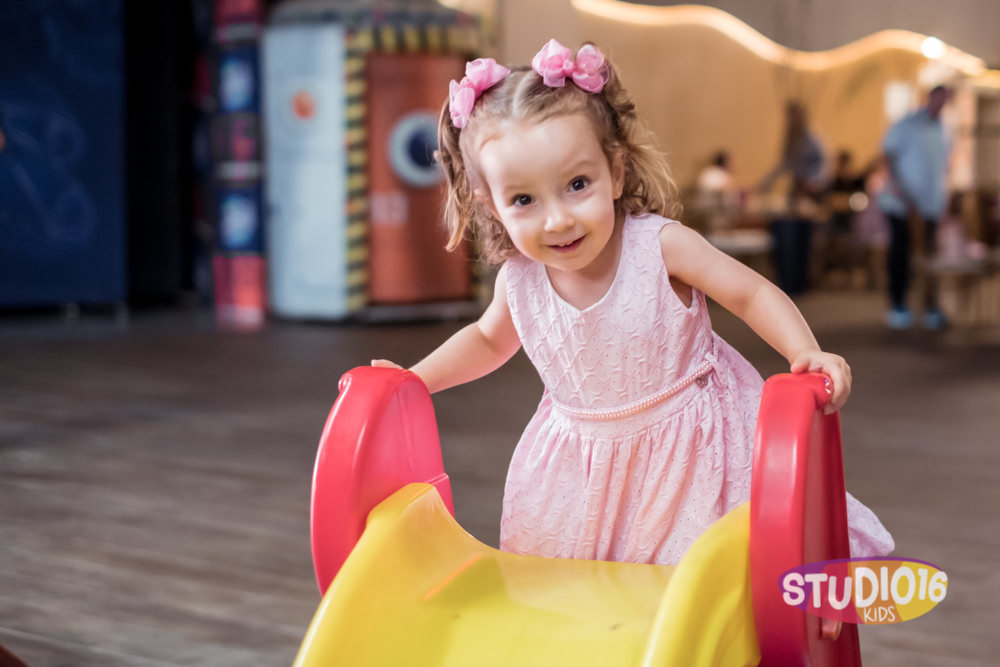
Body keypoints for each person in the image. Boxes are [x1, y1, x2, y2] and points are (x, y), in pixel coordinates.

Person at [372, 39, 893, 565]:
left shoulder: (659, 247)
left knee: (694, 586)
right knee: (580, 591)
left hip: (691, 454)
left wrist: (805, 351)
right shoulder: (520, 280)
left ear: (615, 172)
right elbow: (487, 341)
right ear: (492, 206)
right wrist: (415, 381)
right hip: (581, 477)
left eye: (577, 184)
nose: (558, 219)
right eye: (524, 199)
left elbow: (750, 291)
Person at [878, 85, 952, 330]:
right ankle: (898, 305)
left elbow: (941, 167)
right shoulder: (907, 124)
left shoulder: (943, 129)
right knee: (901, 256)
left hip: (928, 206)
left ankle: (931, 307)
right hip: (902, 204)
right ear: (930, 97)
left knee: (930, 258)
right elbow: (889, 156)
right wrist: (903, 192)